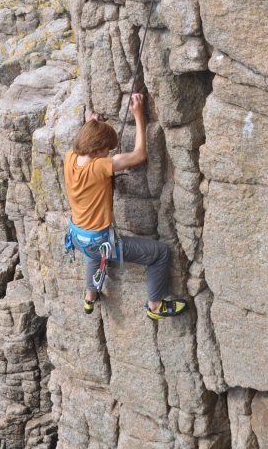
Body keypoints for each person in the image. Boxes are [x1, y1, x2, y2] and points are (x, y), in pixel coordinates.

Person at [64, 93, 187, 321]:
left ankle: (90, 296)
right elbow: (139, 154)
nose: (109, 153)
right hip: (99, 240)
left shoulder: (70, 157)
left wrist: (92, 122)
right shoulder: (99, 167)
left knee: (93, 254)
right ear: (98, 150)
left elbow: (86, 140)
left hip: (78, 236)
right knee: (158, 253)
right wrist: (139, 116)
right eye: (106, 150)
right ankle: (156, 306)